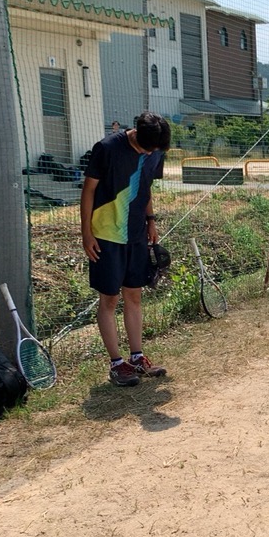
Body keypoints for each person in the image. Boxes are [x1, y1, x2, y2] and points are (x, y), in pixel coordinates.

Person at [80, 111, 171, 387]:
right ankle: (117, 363)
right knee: (109, 300)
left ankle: (137, 357)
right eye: (147, 148)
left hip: (136, 235)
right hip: (106, 235)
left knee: (134, 296)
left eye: (155, 150)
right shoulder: (106, 148)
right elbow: (88, 191)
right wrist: (86, 233)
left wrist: (151, 220)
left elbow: (146, 186)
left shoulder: (155, 149)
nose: (151, 153)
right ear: (136, 134)